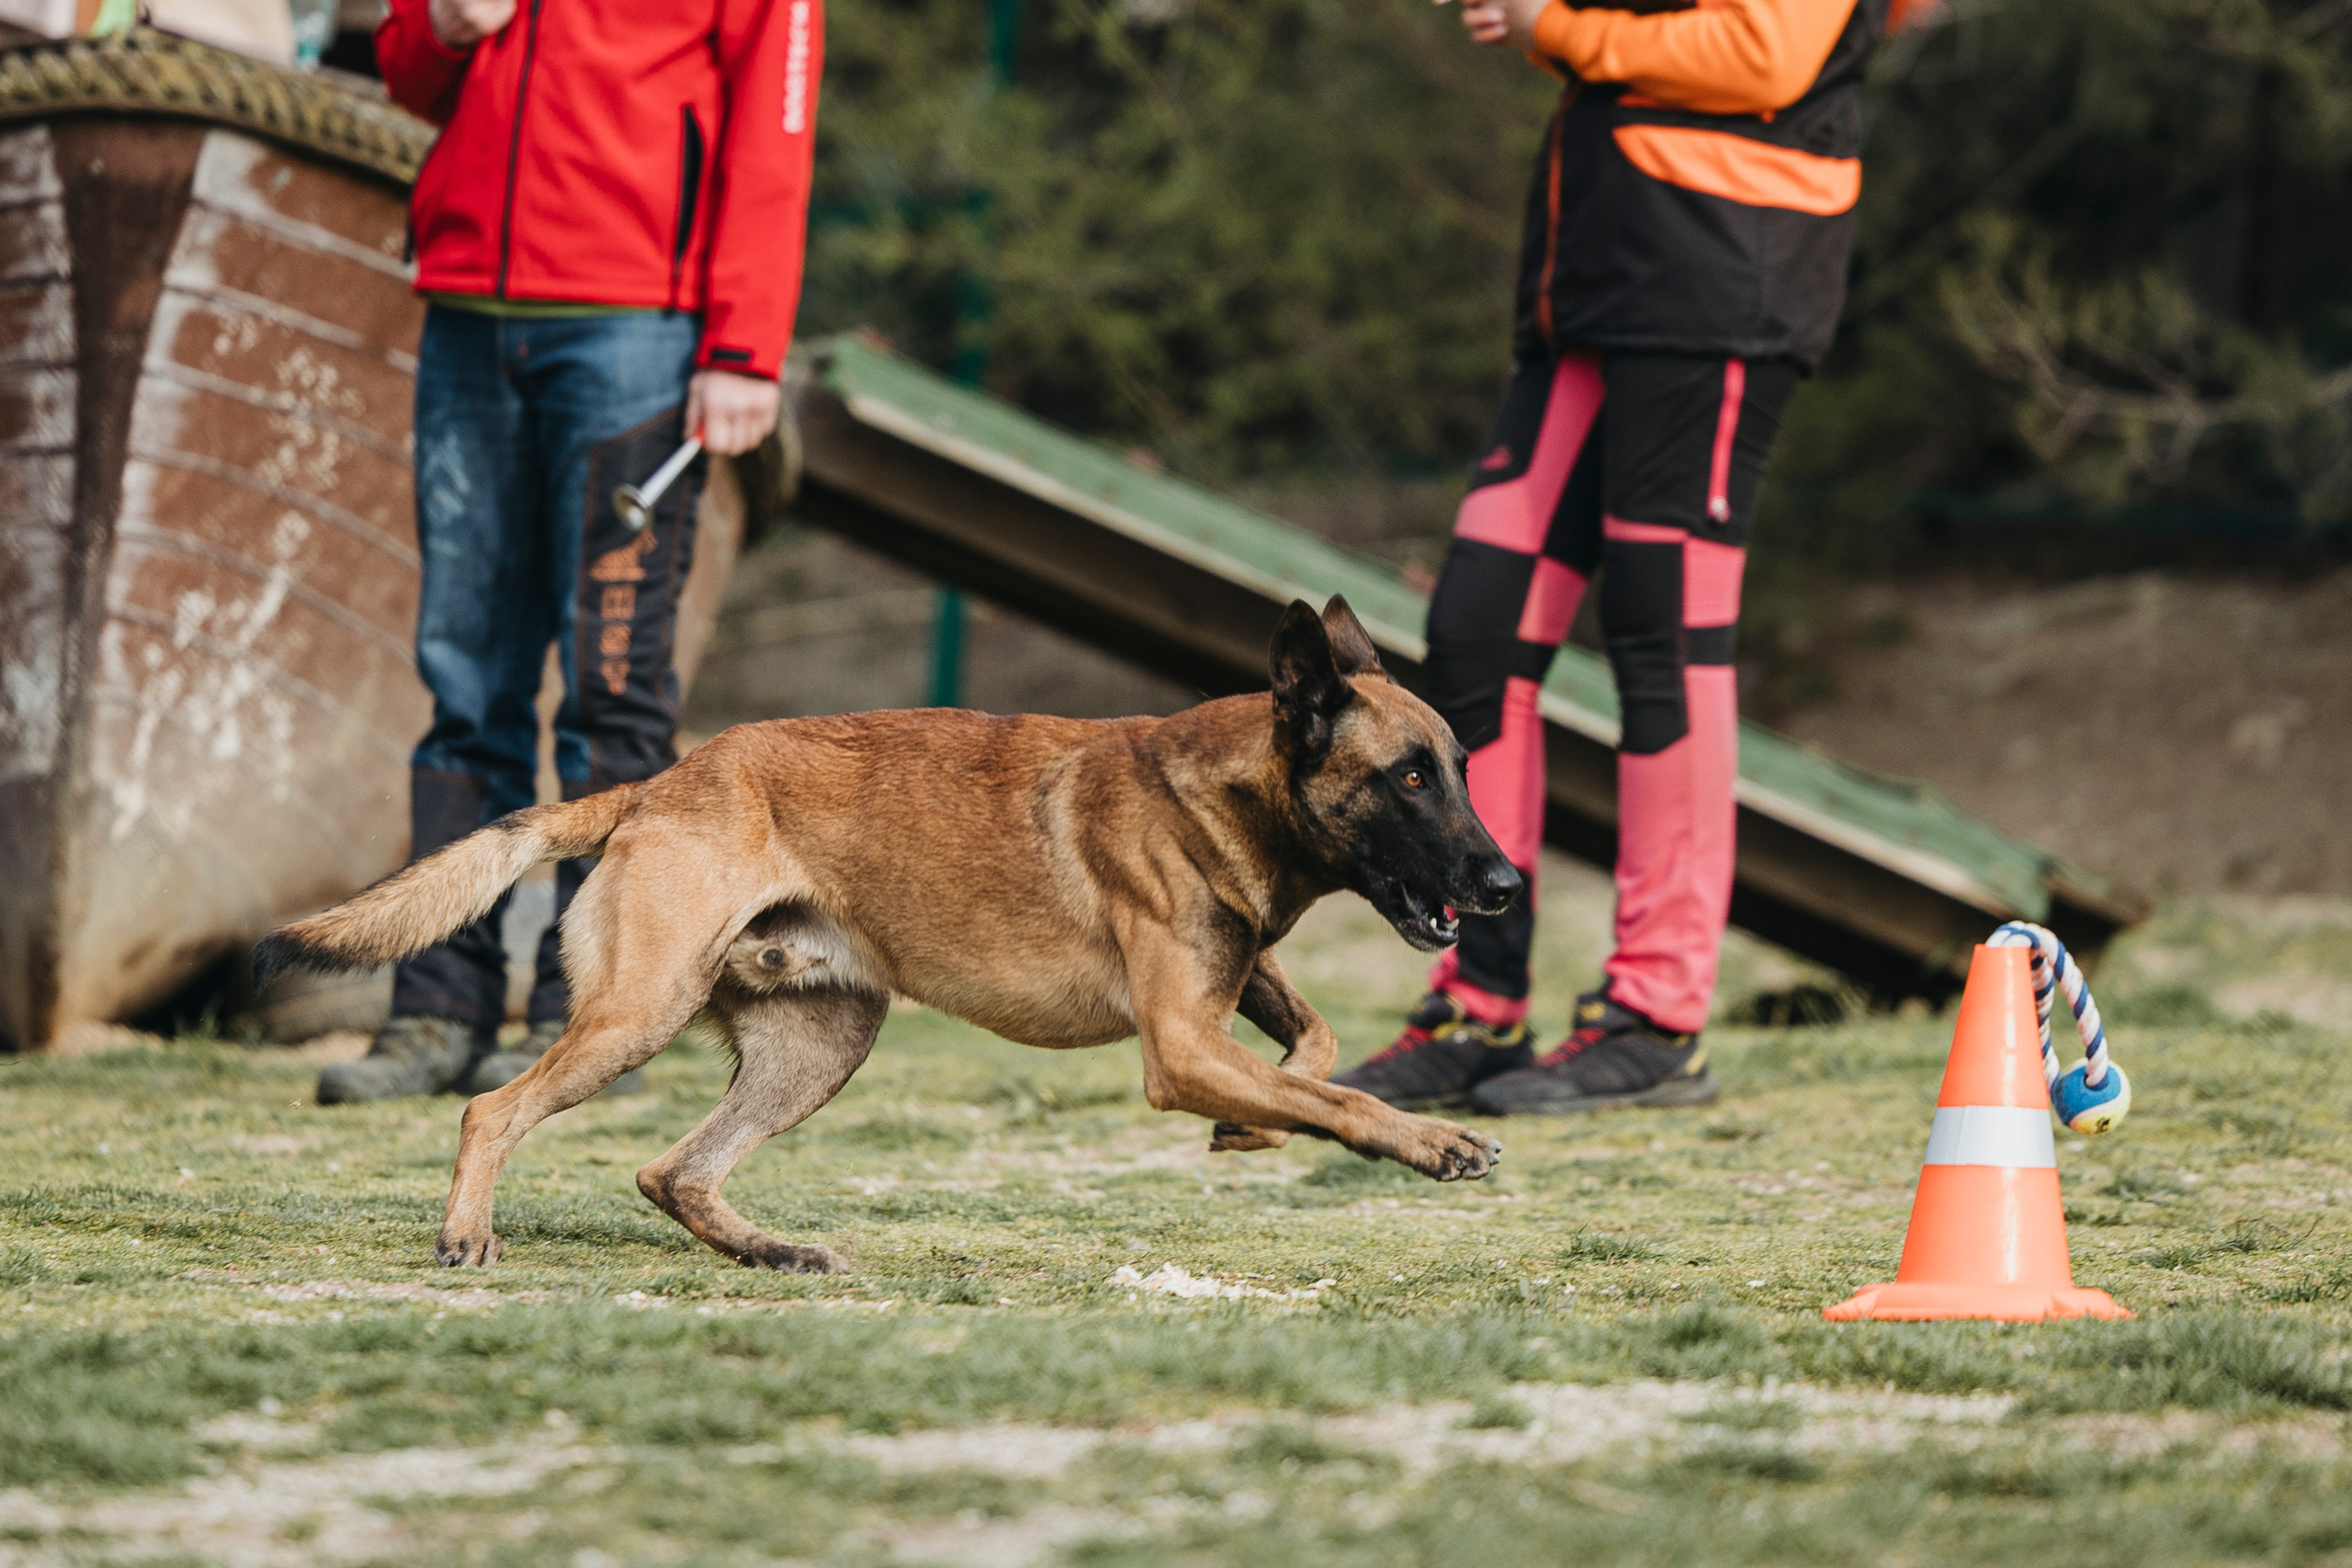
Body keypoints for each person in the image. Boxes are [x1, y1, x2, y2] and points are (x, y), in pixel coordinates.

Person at [1336, 0, 1908, 1116]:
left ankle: (1657, 1017)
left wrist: (1556, 25)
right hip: (1595, 282)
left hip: (1717, 282)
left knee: (1665, 636)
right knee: (1474, 633)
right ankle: (1477, 1002)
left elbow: (1766, 50)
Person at [318, 0, 823, 1102]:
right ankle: (434, 1013)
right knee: (464, 685)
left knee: (613, 688)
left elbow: (771, 135)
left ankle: (590, 1020)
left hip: (634, 328)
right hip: (466, 315)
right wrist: (445, 26)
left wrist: (744, 345)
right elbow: (408, 75)